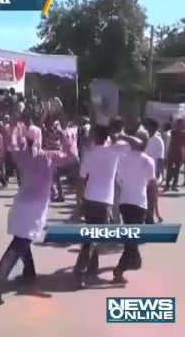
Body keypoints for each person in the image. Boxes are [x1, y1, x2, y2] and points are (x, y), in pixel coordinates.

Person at [0, 120, 75, 284]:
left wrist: (10, 131)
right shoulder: (49, 157)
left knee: (21, 236)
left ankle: (29, 272)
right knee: (22, 240)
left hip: (21, 203)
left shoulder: (21, 155)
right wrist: (63, 137)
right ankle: (0, 273)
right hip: (36, 206)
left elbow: (10, 144)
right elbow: (72, 156)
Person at [73, 125, 134, 288]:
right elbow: (133, 145)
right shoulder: (114, 150)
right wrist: (119, 134)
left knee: (91, 233)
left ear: (95, 137)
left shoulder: (90, 153)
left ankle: (91, 266)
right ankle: (80, 270)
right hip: (104, 200)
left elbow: (80, 179)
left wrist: (79, 202)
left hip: (90, 198)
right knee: (94, 237)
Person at [113, 131, 158, 283]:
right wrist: (154, 209)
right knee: (132, 238)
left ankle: (132, 261)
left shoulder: (122, 159)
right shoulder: (148, 161)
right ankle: (121, 268)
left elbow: (118, 179)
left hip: (125, 202)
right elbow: (152, 185)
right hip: (140, 203)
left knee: (130, 237)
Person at [144, 119, 165, 223]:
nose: (147, 128)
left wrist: (159, 173)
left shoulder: (158, 140)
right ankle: (147, 216)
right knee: (144, 195)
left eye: (149, 126)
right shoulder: (144, 137)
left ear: (154, 128)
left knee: (151, 197)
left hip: (153, 172)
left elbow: (160, 158)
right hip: (142, 172)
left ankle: (150, 218)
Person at [164, 118, 185, 192]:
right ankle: (167, 185)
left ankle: (174, 185)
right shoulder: (172, 133)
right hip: (171, 154)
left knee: (177, 171)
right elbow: (168, 143)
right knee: (169, 170)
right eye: (180, 124)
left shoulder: (183, 134)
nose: (181, 126)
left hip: (179, 155)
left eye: (182, 124)